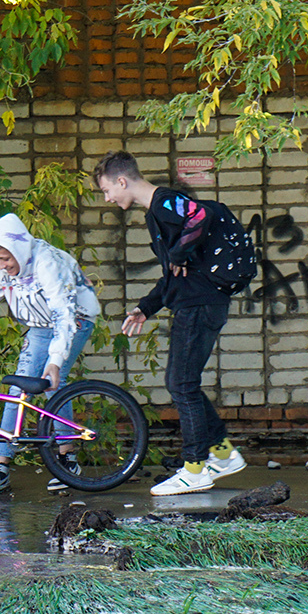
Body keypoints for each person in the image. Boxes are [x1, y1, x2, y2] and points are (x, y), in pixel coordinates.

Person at [93, 150, 246, 495]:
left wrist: (178, 253)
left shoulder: (164, 202)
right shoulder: (157, 214)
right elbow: (174, 275)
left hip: (200, 306)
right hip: (198, 302)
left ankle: (194, 468)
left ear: (122, 181)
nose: (108, 198)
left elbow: (199, 214)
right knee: (183, 382)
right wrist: (146, 308)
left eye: (106, 190)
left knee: (181, 384)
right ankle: (223, 455)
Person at [0, 213, 100, 498]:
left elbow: (63, 314)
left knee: (54, 382)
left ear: (20, 249)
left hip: (74, 319)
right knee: (17, 391)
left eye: (6, 259)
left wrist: (54, 361)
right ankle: (1, 468)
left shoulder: (47, 262)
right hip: (40, 326)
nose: (3, 265)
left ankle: (68, 460)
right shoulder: (1, 267)